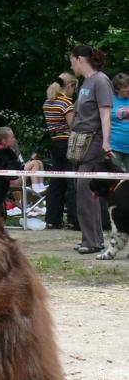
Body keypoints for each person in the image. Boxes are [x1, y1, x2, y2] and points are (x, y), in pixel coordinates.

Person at [69, 45, 114, 254]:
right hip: (81, 141)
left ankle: (92, 241)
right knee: (84, 189)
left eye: (72, 60)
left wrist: (106, 141)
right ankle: (93, 238)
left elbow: (105, 114)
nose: (71, 64)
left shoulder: (101, 80)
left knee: (86, 188)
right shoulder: (86, 82)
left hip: (93, 141)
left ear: (80, 59)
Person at [42, 73, 79, 229]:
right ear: (69, 86)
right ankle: (74, 219)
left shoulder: (48, 103)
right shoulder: (66, 103)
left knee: (56, 181)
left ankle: (52, 218)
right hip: (67, 143)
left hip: (55, 143)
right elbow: (73, 126)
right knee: (72, 182)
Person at [110, 72, 129, 171]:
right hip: (114, 146)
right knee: (115, 178)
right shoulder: (110, 101)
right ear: (116, 89)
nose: (128, 89)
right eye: (125, 87)